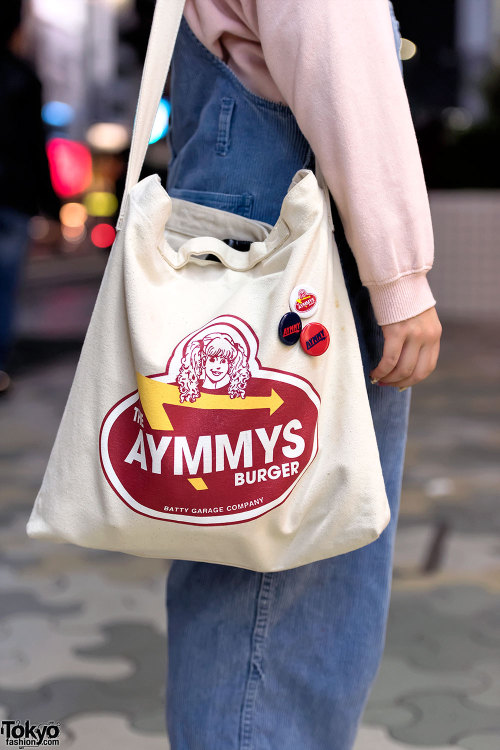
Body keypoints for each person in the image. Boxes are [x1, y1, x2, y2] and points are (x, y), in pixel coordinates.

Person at [164, 1, 442, 748]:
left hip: (243, 236)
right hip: (295, 256)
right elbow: (339, 54)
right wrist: (400, 277)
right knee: (295, 587)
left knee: (236, 569)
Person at [0, 1, 60, 393]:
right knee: (5, 285)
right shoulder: (23, 76)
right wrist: (52, 209)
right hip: (13, 197)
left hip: (14, 197)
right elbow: (36, 150)